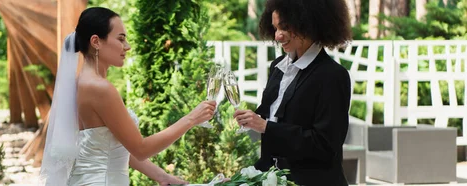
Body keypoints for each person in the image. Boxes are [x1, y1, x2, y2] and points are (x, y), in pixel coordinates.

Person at [39, 7, 217, 186]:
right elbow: (141, 149)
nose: (127, 46)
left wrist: (164, 177)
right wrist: (191, 119)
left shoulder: (80, 83)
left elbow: (115, 147)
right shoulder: (100, 88)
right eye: (121, 39)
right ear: (96, 42)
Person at [233, 0, 352, 185]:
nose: (278, 36)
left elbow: (325, 145)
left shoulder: (332, 76)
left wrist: (265, 127)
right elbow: (272, 124)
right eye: (274, 28)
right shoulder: (278, 67)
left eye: (285, 28)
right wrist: (243, 179)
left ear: (309, 23)